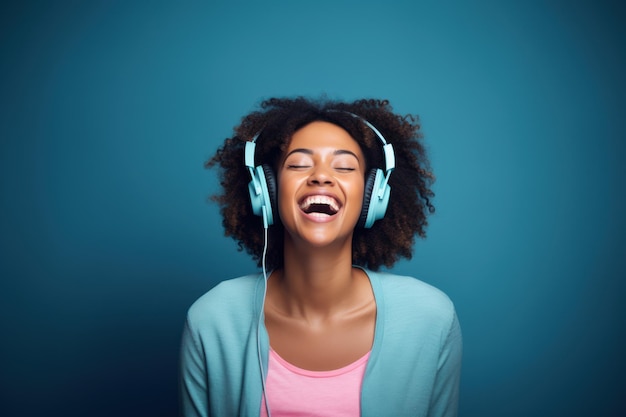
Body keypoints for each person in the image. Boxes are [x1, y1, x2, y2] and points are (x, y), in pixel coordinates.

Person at [179, 97, 462, 417]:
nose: (321, 177)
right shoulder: (212, 319)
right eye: (299, 164)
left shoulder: (430, 318)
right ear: (266, 191)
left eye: (343, 167)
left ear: (374, 195)